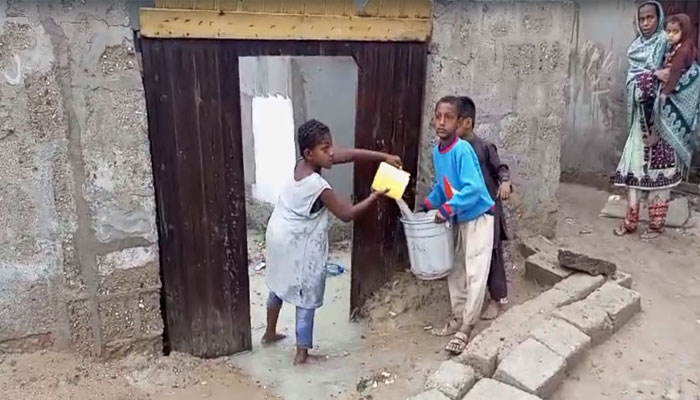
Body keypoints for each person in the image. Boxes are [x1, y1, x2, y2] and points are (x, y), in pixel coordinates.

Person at [262, 119, 401, 365]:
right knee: (306, 295)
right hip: (297, 241)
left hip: (278, 233)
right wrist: (376, 195)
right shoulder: (318, 185)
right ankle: (302, 355)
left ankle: (270, 333)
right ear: (309, 153)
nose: (332, 153)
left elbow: (346, 155)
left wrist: (384, 157)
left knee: (279, 283)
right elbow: (347, 214)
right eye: (325, 149)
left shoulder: (301, 165)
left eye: (330, 146)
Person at [612, 1, 700, 239]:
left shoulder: (669, 41)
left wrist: (664, 87)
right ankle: (630, 222)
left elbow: (690, 76)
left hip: (665, 128)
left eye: (650, 18)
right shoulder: (637, 48)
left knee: (661, 181)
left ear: (658, 18)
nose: (646, 23)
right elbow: (633, 82)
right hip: (640, 126)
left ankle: (656, 226)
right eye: (641, 19)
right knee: (633, 176)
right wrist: (652, 75)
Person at [424, 96, 495, 354]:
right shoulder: (437, 151)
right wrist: (428, 203)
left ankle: (467, 326)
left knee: (475, 271)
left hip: (478, 215)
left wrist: (447, 208)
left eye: (449, 117)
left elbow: (474, 188)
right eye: (438, 116)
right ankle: (457, 316)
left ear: (459, 123)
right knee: (454, 269)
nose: (442, 122)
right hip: (459, 216)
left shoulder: (462, 149)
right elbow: (443, 186)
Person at [456, 96, 512, 320]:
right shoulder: (456, 149)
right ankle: (473, 299)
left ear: (467, 122)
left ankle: (498, 300)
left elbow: (501, 168)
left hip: (489, 211)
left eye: (454, 120)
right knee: (472, 256)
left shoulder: (484, 147)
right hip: (469, 212)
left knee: (493, 254)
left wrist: (505, 181)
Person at [660, 14, 697, 104]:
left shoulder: (684, 50)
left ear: (684, 31)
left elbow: (676, 71)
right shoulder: (677, 44)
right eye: (668, 31)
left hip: (686, 83)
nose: (671, 35)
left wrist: (665, 92)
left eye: (675, 31)